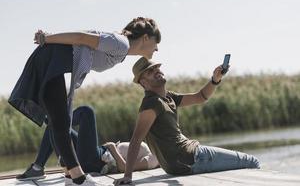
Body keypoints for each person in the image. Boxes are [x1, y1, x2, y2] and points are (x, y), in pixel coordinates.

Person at [8, 17, 161, 186]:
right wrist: (47, 37)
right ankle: (78, 178)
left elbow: (84, 43)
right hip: (50, 59)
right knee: (60, 122)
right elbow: (82, 37)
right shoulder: (121, 44)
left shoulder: (121, 49)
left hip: (51, 61)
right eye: (156, 42)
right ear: (146, 38)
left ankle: (70, 176)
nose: (157, 47)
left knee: (60, 121)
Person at [114, 57, 260, 185]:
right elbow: (136, 140)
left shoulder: (168, 97)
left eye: (157, 67)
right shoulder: (151, 103)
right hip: (190, 157)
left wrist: (215, 79)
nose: (157, 70)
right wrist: (128, 176)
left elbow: (200, 97)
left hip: (182, 161)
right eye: (150, 71)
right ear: (144, 83)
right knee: (252, 162)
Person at [16, 106, 159, 182]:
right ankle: (37, 167)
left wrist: (113, 148)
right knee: (54, 126)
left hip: (97, 162)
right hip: (96, 154)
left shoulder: (154, 158)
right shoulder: (146, 147)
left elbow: (125, 170)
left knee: (87, 112)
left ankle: (48, 118)